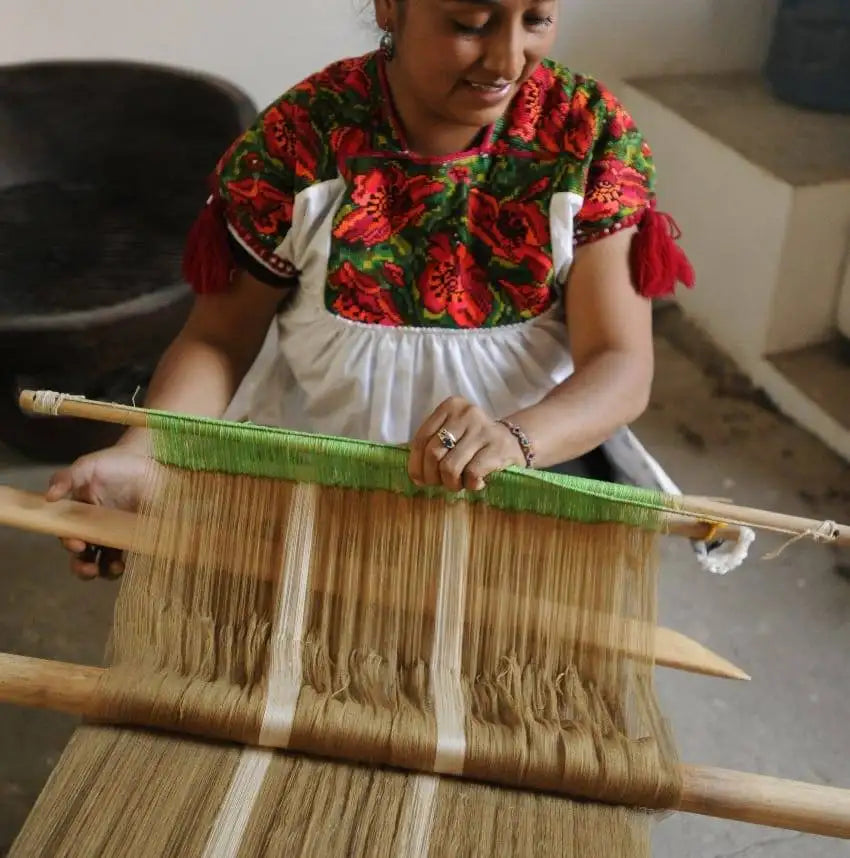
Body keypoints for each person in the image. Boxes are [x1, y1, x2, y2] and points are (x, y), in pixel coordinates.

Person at [47, 0, 695, 579]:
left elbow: (620, 361)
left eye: (537, 20)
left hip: (529, 480)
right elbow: (218, 340)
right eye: (470, 23)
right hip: (320, 480)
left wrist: (515, 440)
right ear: (391, 7)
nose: (507, 59)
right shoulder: (301, 138)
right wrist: (145, 451)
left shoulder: (586, 136)